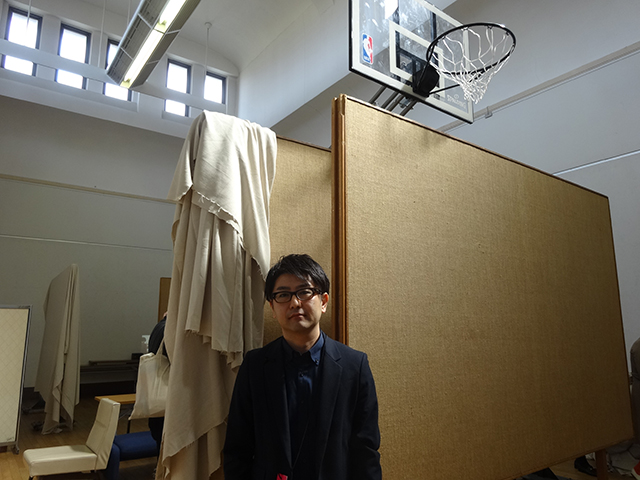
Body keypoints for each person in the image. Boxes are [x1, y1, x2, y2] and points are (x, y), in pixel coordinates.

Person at [223, 254, 382, 480]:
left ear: (324, 301)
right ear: (272, 306)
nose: (295, 303)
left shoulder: (354, 366)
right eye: (283, 295)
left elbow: (366, 451)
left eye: (304, 292)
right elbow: (238, 449)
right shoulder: (255, 366)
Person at [147, 313, 167, 453]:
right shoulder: (169, 330)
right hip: (167, 398)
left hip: (156, 395)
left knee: (159, 441)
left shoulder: (158, 327)